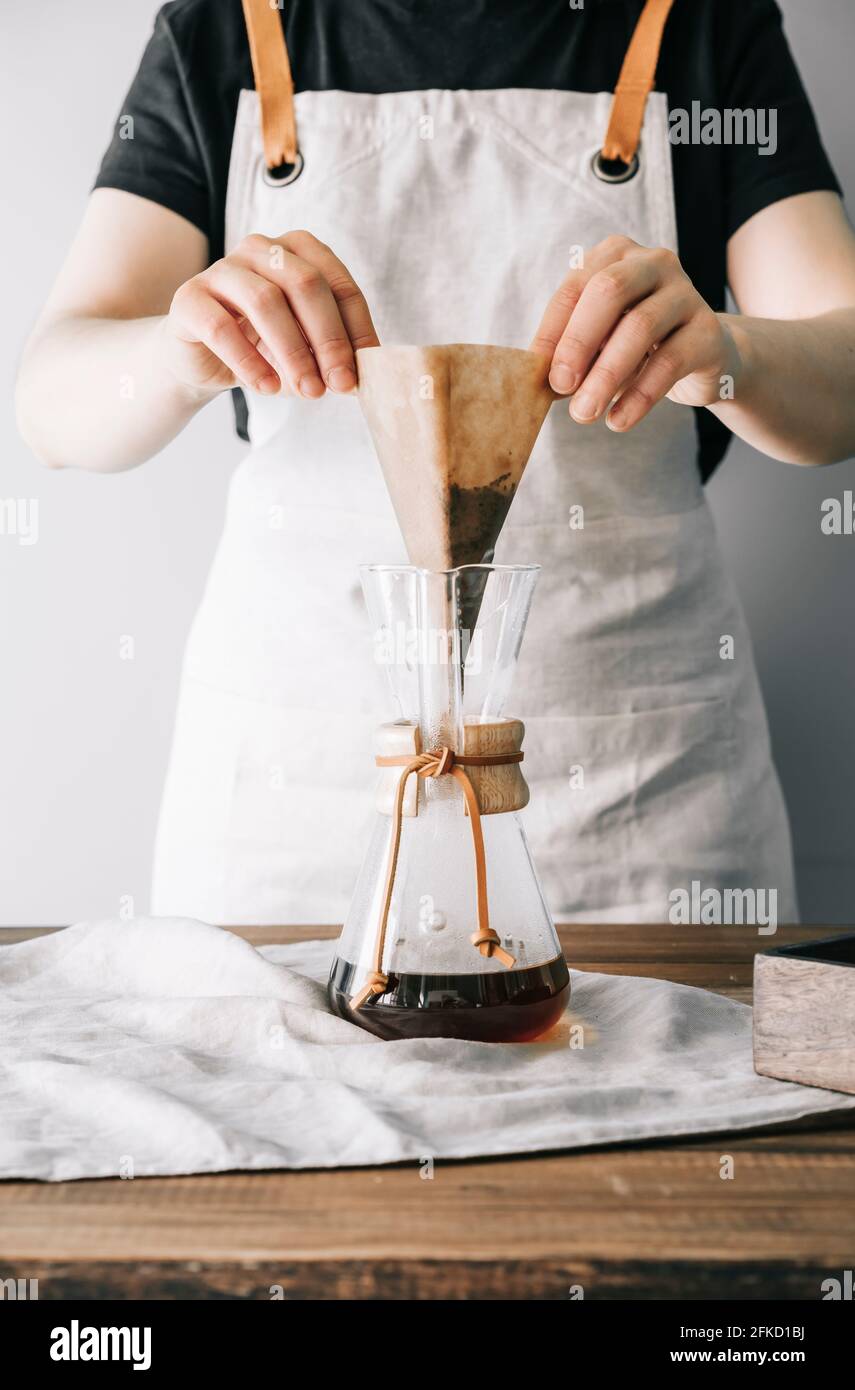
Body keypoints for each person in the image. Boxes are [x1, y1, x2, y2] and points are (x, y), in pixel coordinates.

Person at [16, 0, 855, 926]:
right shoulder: (225, 27)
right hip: (293, 808)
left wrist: (727, 350)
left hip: (640, 808)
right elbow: (51, 407)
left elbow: (845, 379)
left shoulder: (699, 24)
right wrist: (177, 349)